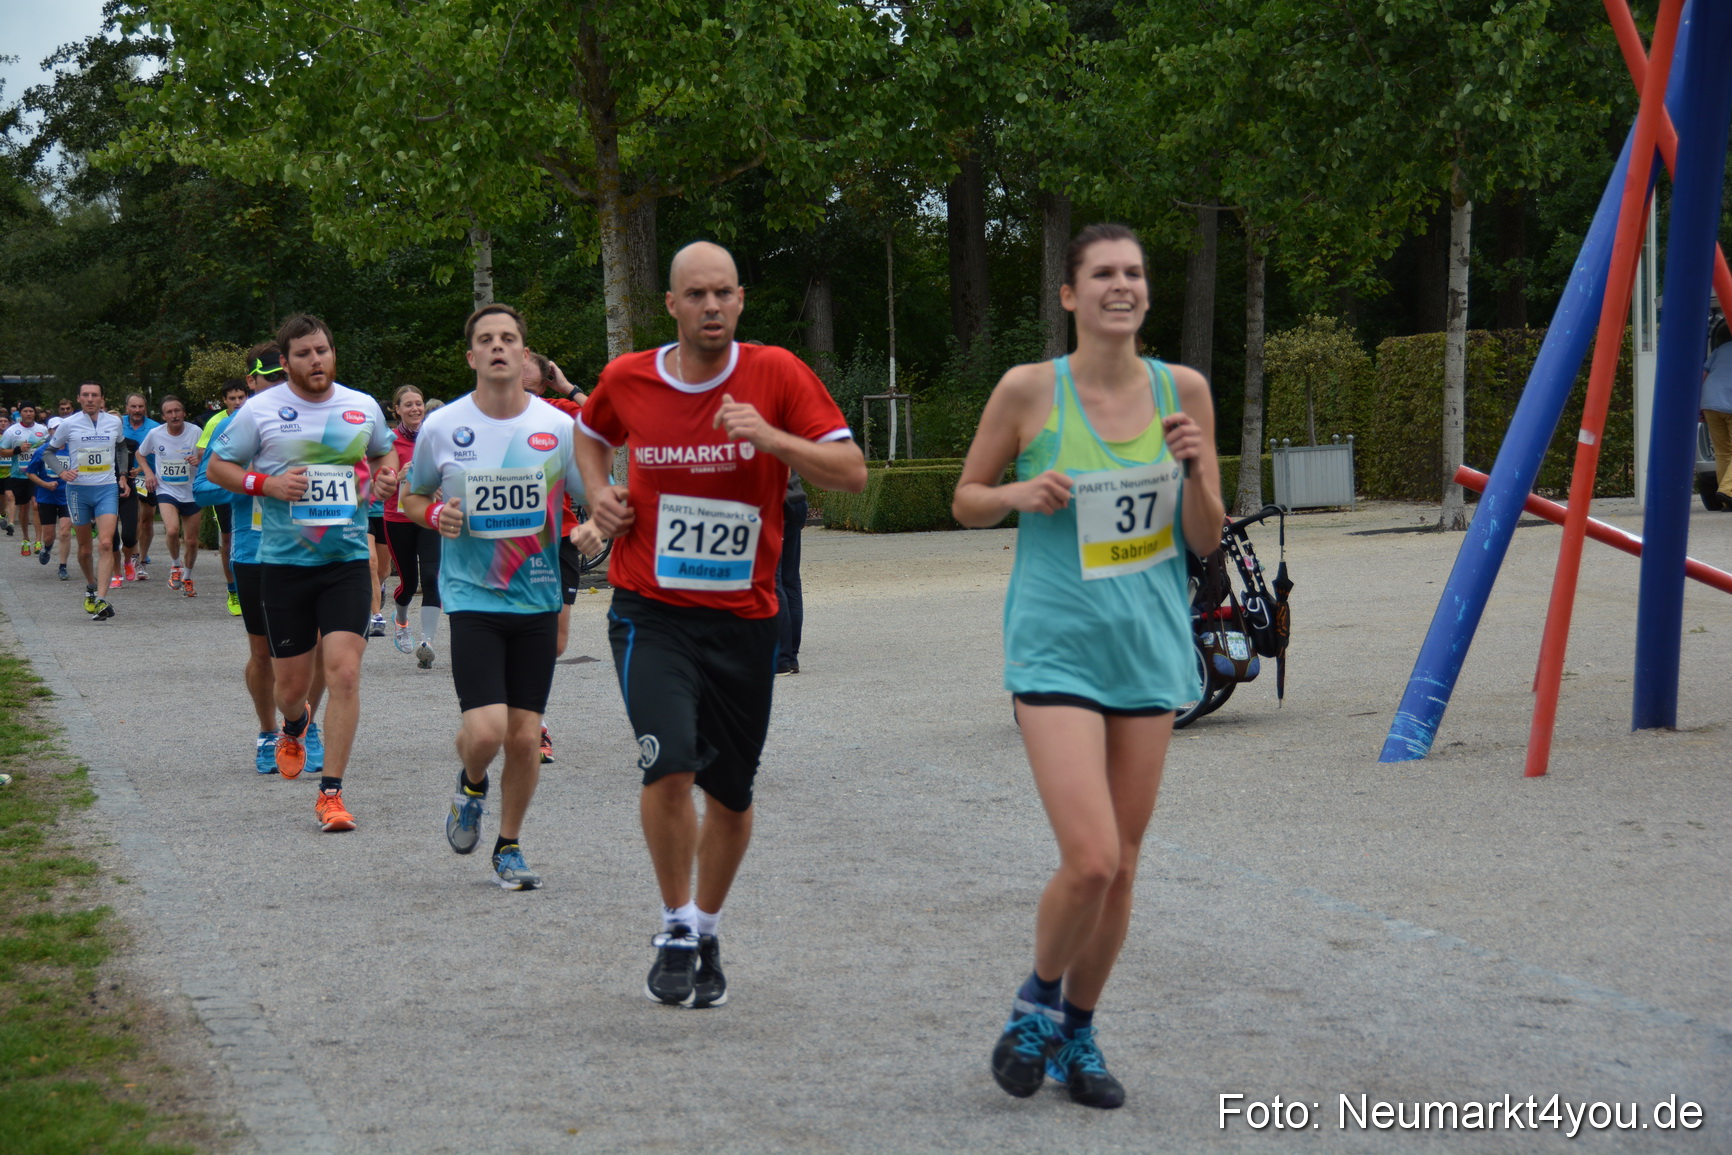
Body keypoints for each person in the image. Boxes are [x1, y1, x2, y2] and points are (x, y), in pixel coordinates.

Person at [952, 224, 1223, 1110]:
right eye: (1103, 273)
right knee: (1093, 856)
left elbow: (1205, 538)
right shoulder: (1030, 391)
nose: (1122, 285)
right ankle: (1035, 999)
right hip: (1057, 644)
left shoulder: (1184, 391)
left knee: (1128, 862)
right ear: (1070, 295)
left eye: (1135, 272)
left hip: (1146, 647)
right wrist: (1017, 493)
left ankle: (1079, 1029)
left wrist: (1196, 474)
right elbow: (965, 499)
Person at [574, 240, 865, 1007]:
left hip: (744, 618)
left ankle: (706, 923)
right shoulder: (629, 376)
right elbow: (592, 433)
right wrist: (599, 493)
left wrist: (772, 439)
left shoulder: (775, 374)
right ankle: (673, 922)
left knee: (731, 796)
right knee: (667, 763)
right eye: (695, 294)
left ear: (740, 300)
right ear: (670, 304)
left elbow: (853, 471)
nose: (711, 306)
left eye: (724, 294)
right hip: (651, 611)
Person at [404, 304, 580, 890]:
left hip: (536, 595)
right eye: (487, 339)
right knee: (486, 733)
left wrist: (594, 528)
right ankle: (470, 786)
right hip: (472, 595)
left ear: (525, 354)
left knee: (526, 736)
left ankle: (508, 846)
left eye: (510, 338)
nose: (499, 347)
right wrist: (434, 514)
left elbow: (589, 500)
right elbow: (410, 500)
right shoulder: (441, 426)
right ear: (472, 355)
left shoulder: (557, 427)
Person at [208, 315, 397, 829]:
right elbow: (216, 467)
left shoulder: (361, 407)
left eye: (323, 350)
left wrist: (385, 478)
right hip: (286, 565)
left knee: (345, 671)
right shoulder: (259, 412)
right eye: (304, 354)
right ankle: (293, 723)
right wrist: (264, 485)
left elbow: (383, 452)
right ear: (286, 362)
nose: (316, 360)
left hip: (346, 561)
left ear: (334, 353)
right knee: (290, 686)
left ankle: (331, 793)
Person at [525, 349, 585, 764]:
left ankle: (523, 707)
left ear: (544, 377)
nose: (517, 358)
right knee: (522, 629)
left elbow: (609, 420)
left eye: (529, 358)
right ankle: (535, 723)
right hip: (507, 541)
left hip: (558, 535)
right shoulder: (485, 412)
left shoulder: (557, 411)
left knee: (557, 641)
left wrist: (568, 387)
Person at [48, 381, 130, 620]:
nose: (91, 399)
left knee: (106, 543)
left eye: (95, 395)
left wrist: (122, 475)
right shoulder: (68, 424)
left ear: (102, 399)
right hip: (77, 492)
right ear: (79, 399)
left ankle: (102, 600)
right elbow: (48, 452)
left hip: (106, 488)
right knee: (84, 549)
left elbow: (122, 448)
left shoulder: (114, 422)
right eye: (86, 395)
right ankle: (91, 586)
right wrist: (62, 473)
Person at [382, 385, 443, 667]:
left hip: (429, 516)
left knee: (432, 578)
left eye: (418, 403)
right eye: (408, 405)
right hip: (398, 518)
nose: (415, 409)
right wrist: (398, 478)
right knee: (409, 583)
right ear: (397, 410)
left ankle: (427, 643)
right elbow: (378, 485)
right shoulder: (388, 442)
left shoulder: (434, 438)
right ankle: (401, 620)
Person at [136, 396, 205, 597]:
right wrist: (148, 473)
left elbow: (206, 454)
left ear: (183, 413)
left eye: (177, 411)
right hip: (166, 490)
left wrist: (198, 459)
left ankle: (189, 576)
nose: (174, 415)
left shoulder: (195, 432)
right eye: (169, 412)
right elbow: (141, 454)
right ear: (163, 416)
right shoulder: (155, 434)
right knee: (173, 530)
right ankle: (176, 565)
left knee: (192, 540)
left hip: (192, 491)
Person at [195, 379, 251, 612]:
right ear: (224, 401)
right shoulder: (218, 423)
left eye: (241, 397)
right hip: (230, 487)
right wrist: (248, 482)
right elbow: (204, 457)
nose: (238, 402)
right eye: (232, 398)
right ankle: (233, 590)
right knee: (227, 540)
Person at [116, 392, 160, 587]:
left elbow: (160, 453)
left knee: (146, 519)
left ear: (145, 408)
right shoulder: (117, 424)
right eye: (133, 406)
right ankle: (131, 553)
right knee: (128, 519)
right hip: (121, 478)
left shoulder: (154, 427)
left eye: (141, 406)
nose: (137, 410)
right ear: (127, 408)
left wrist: (141, 469)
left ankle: (142, 559)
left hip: (146, 477)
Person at [1, 404, 51, 556]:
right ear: (20, 413)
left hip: (36, 475)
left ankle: (38, 541)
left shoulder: (42, 430)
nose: (29, 414)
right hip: (19, 474)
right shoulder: (11, 431)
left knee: (36, 506)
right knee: (24, 508)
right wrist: (18, 450)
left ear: (34, 413)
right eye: (25, 411)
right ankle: (25, 538)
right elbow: (2, 452)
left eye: (31, 411)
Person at [774, 468, 807, 675]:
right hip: (795, 501)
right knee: (790, 580)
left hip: (777, 504)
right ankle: (791, 657)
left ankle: (781, 659)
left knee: (773, 581)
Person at [25, 439, 71, 577]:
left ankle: (63, 566)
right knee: (49, 536)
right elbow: (30, 472)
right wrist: (45, 484)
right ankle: (47, 548)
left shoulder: (73, 448)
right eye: (54, 429)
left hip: (67, 496)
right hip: (46, 496)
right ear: (51, 432)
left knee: (65, 532)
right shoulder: (42, 450)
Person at [1700, 325, 1732, 510]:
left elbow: (1703, 375)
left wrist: (1699, 406)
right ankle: (1728, 491)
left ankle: (1725, 500)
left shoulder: (1719, 350)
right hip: (1729, 402)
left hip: (1710, 403)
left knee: (1722, 452)